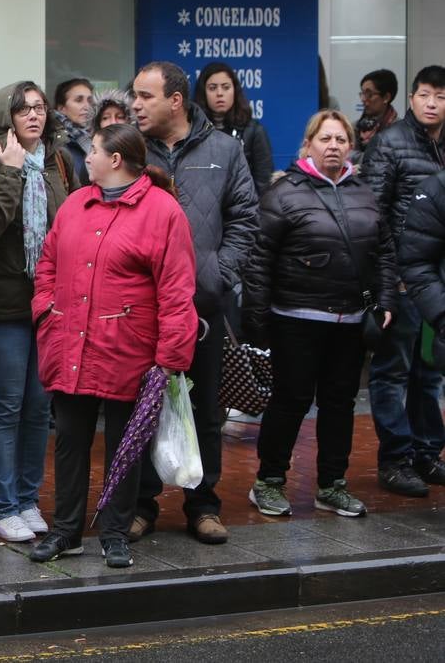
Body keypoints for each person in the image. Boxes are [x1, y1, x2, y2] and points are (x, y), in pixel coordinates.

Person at [29, 125, 198, 568]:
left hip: (130, 351)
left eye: (93, 152)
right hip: (70, 342)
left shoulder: (163, 211)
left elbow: (177, 290)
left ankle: (115, 532)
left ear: (115, 160)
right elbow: (48, 262)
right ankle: (66, 530)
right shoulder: (75, 204)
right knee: (69, 441)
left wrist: (169, 360)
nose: (86, 159)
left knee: (126, 443)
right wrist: (46, 309)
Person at [129, 61, 258, 545]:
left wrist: (219, 274)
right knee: (143, 406)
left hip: (202, 306)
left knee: (206, 409)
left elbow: (246, 217)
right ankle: (141, 505)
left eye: (145, 96)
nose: (136, 104)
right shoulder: (131, 150)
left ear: (176, 101)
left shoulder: (224, 150)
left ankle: (203, 505)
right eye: (134, 96)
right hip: (141, 307)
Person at [245, 110, 395, 519]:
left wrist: (384, 302)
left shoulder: (364, 192)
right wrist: (256, 320)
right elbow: (258, 261)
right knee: (290, 402)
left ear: (351, 147)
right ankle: (268, 481)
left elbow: (384, 253)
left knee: (339, 405)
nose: (333, 146)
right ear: (308, 144)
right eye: (325, 139)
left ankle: (332, 484)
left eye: (341, 140)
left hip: (348, 322)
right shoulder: (284, 192)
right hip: (296, 319)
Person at [0, 81, 76, 543]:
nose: (33, 115)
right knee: (4, 407)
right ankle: (2, 505)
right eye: (22, 109)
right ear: (4, 117)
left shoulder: (58, 162)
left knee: (38, 407)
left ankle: (28, 500)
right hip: (2, 303)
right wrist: (12, 173)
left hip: (49, 302)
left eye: (39, 107)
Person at [360, 65, 445, 496]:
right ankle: (395, 460)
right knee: (393, 372)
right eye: (425, 95)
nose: (432, 103)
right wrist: (387, 281)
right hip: (402, 281)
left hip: (437, 284)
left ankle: (427, 454)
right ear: (410, 99)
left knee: (430, 373)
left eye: (441, 97)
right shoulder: (390, 144)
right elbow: (374, 215)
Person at [194, 62, 274, 191]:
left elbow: (264, 184)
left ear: (235, 91)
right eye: (212, 88)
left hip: (244, 207)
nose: (219, 93)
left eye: (226, 87)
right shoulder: (193, 130)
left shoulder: (253, 131)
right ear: (203, 93)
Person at [53, 78, 95, 185]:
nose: (87, 106)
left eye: (89, 101)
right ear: (62, 108)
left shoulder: (96, 137)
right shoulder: (55, 141)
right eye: (79, 100)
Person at [356, 69, 399, 152]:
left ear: (386, 97)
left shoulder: (399, 130)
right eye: (363, 93)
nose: (363, 99)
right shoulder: (355, 127)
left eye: (369, 94)